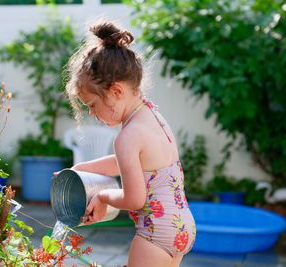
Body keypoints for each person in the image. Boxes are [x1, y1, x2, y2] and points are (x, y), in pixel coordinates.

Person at [60, 21, 196, 267]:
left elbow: (134, 199)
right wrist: (83, 169)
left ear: (116, 91)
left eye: (92, 104)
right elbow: (128, 163)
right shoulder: (152, 116)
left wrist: (102, 197)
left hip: (154, 234)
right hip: (181, 225)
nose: (91, 113)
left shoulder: (126, 136)